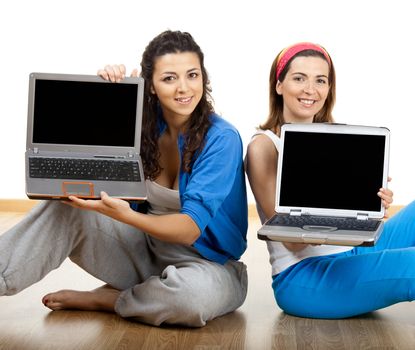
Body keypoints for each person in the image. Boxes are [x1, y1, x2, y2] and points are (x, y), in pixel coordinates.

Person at [0, 30, 248, 327]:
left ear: (203, 78)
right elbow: (91, 135)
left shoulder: (222, 138)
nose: (184, 88)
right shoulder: (143, 121)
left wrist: (125, 216)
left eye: (192, 75)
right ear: (152, 86)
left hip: (209, 267)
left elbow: (189, 229)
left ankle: (110, 299)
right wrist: (112, 90)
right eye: (169, 78)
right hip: (143, 253)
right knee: (66, 207)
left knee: (190, 300)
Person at [245, 42, 415, 319]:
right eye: (299, 78)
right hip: (305, 277)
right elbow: (293, 242)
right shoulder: (264, 146)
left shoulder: (331, 141)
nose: (310, 90)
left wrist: (366, 208)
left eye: (320, 80)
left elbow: (347, 220)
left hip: (352, 253)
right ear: (279, 85)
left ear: (328, 88)